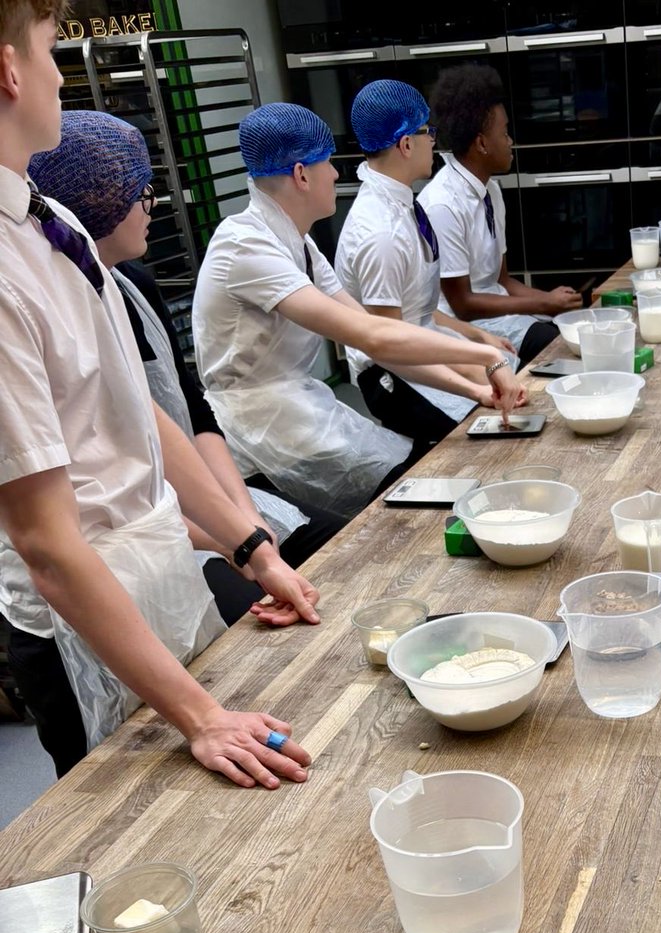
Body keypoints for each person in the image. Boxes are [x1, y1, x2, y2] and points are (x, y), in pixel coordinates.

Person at [0, 3, 319, 787]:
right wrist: (201, 716)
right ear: (8, 71)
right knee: (134, 842)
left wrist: (251, 546)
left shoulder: (53, 222)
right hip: (82, 617)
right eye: (49, 51)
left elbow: (130, 406)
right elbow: (46, 545)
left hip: (153, 569)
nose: (58, 75)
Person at [27, 109, 346, 627]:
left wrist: (248, 527)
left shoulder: (132, 284)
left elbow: (190, 415)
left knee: (328, 544)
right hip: (129, 533)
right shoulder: (53, 311)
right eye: (143, 193)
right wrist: (240, 545)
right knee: (253, 620)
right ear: (101, 206)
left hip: (193, 502)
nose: (154, 206)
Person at [192, 102, 524, 520]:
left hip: (298, 409)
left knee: (414, 484)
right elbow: (374, 337)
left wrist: (475, 390)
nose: (335, 174)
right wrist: (486, 358)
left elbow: (374, 334)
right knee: (404, 504)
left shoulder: (299, 242)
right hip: (259, 433)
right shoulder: (245, 246)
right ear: (301, 174)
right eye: (328, 163)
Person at [335, 79, 525, 454]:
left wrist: (478, 340)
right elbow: (390, 347)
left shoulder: (404, 205)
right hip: (392, 376)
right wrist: (474, 385)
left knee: (512, 387)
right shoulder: (381, 234)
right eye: (427, 131)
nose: (434, 141)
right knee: (488, 433)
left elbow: (420, 314)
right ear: (406, 144)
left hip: (420, 348)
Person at [419, 64, 582, 366]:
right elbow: (463, 304)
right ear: (481, 143)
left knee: (577, 334)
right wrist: (545, 303)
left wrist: (551, 302)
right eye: (505, 133)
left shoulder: (490, 190)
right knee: (559, 351)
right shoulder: (443, 205)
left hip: (499, 313)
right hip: (466, 328)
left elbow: (502, 280)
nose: (511, 142)